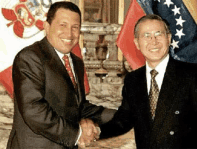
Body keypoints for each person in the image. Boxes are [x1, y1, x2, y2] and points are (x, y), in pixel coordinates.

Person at [98, 14, 197, 149]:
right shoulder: (133, 80)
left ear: (168, 38)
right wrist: (93, 131)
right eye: (146, 35)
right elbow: (122, 121)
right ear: (137, 43)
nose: (153, 41)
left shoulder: (191, 74)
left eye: (158, 34)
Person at [6, 2, 115, 149]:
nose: (69, 33)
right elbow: (34, 110)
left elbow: (79, 107)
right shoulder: (29, 57)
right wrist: (77, 134)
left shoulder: (76, 63)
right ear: (47, 27)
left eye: (75, 27)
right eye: (62, 25)